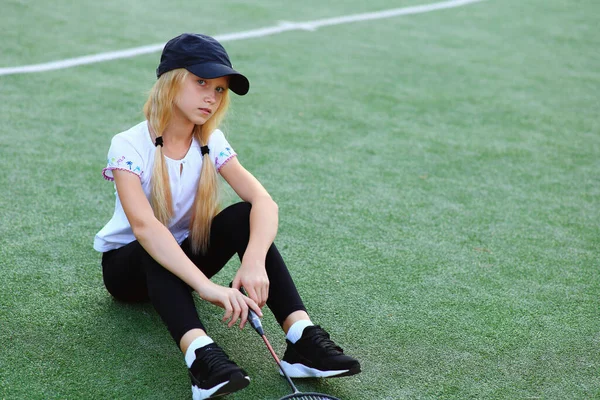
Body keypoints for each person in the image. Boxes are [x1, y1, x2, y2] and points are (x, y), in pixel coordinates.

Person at [93, 33, 360, 400]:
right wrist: (206, 287)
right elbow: (145, 227)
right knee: (153, 242)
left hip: (182, 258)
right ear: (170, 80)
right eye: (201, 82)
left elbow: (264, 203)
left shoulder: (210, 141)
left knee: (242, 215)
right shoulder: (128, 144)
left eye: (219, 89)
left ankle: (301, 339)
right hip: (128, 272)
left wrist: (253, 263)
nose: (211, 96)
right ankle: (202, 359)